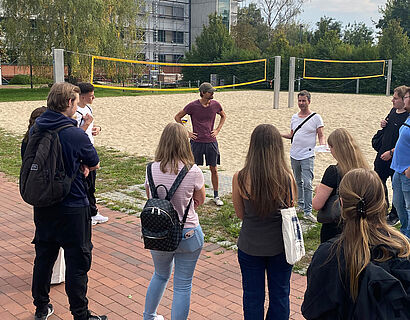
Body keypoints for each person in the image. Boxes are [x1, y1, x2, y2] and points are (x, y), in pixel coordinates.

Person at [30, 82, 106, 320]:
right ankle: (80, 314)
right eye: (75, 101)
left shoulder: (36, 129)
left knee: (44, 258)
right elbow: (94, 162)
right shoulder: (73, 133)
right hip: (72, 204)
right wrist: (81, 164)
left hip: (43, 204)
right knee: (78, 259)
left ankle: (42, 307)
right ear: (69, 103)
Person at [302, 168, 410, 319]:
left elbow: (312, 309)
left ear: (340, 203)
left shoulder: (328, 255)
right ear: (382, 202)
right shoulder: (402, 248)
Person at [232, 124, 297, 320]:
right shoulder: (286, 178)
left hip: (250, 244)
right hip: (280, 246)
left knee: (252, 297)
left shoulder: (240, 177)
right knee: (280, 296)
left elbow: (240, 214)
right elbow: (290, 210)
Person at [143, 123, 206, 320]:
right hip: (187, 231)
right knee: (183, 284)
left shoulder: (151, 169)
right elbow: (200, 200)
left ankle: (149, 316)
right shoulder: (193, 171)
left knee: (160, 275)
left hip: (159, 232)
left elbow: (150, 197)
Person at [21, 106, 66, 285]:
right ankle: (56, 275)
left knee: (43, 234)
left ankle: (47, 275)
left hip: (35, 191)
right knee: (57, 235)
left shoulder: (27, 141)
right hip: (51, 190)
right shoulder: (49, 140)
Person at [312, 128, 370, 243]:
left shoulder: (333, 172)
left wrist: (318, 190)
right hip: (359, 224)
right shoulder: (365, 171)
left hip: (335, 226)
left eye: (331, 147)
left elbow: (317, 204)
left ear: (337, 149)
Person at [174, 82, 226, 206]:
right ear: (203, 92)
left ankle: (216, 195)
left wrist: (217, 130)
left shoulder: (215, 105)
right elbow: (177, 117)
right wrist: (187, 133)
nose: (212, 94)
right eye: (210, 92)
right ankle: (190, 196)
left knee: (214, 169)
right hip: (196, 142)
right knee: (192, 169)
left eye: (213, 91)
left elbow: (223, 116)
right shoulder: (192, 106)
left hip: (211, 142)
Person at [281, 90, 325, 223]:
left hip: (308, 154)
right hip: (295, 154)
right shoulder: (294, 117)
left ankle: (308, 211)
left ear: (309, 101)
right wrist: (278, 134)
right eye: (299, 101)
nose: (301, 103)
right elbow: (292, 134)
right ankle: (301, 205)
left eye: (304, 101)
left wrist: (322, 145)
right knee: (298, 181)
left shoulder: (316, 117)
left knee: (307, 183)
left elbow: (321, 134)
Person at [374, 85, 409, 226]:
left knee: (398, 190)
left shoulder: (407, 116)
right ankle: (383, 208)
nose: (393, 101)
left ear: (403, 99)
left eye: (395, 98)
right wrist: (383, 124)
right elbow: (389, 128)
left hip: (396, 158)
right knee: (378, 182)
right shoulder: (393, 111)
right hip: (383, 153)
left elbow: (404, 143)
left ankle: (395, 215)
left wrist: (391, 152)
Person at [76, 82, 108, 225]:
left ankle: (92, 211)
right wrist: (87, 125)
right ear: (82, 97)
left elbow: (88, 128)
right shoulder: (75, 113)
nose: (93, 98)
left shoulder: (88, 108)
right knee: (85, 184)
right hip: (81, 151)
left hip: (89, 147)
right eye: (91, 96)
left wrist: (96, 128)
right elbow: (74, 135)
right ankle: (89, 213)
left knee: (91, 184)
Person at [391, 86, 410, 238]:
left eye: (406, 97)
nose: (404, 100)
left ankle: (408, 235)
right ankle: (405, 231)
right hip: (398, 168)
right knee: (398, 204)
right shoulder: (408, 117)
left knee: (409, 206)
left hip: (407, 170)